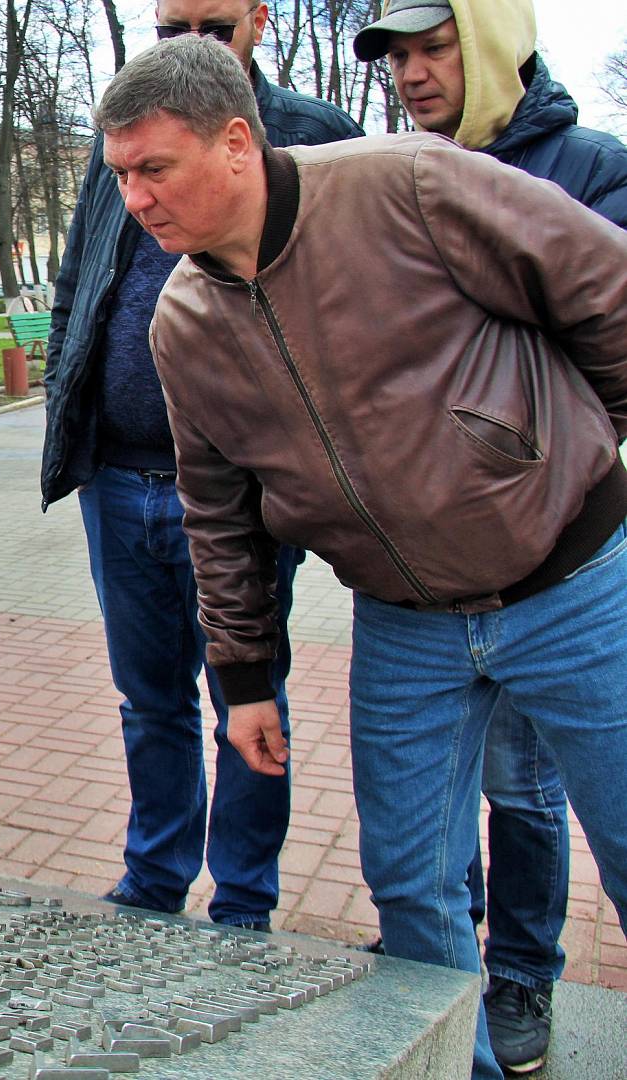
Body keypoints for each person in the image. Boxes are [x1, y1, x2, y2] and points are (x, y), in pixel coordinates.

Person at [93, 35, 627, 1080]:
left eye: (153, 168)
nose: (134, 200)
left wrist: (562, 447)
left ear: (235, 142)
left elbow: (602, 288)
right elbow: (219, 516)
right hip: (402, 625)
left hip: (572, 589)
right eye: (119, 175)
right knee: (410, 886)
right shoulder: (184, 321)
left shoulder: (407, 185)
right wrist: (243, 680)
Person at [41, 0, 361, 932]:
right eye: (167, 26)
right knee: (148, 701)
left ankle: (243, 900)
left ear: (258, 19)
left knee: (247, 695)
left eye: (212, 28)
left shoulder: (309, 132)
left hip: (243, 490)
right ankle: (154, 878)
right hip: (117, 476)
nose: (187, 45)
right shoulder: (123, 137)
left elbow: (343, 298)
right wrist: (70, 400)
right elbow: (78, 281)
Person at [352, 1, 627, 1071]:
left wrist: (531, 462)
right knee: (424, 822)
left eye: (434, 48)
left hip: (552, 559)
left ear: (491, 43)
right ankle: (444, 990)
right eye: (396, 56)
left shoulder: (587, 167)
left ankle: (521, 971)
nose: (411, 74)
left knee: (523, 785)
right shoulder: (379, 176)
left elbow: (604, 338)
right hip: (420, 570)